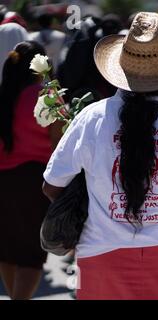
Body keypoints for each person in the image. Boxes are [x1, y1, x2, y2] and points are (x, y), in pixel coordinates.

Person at [42, 12, 158, 300]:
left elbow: (52, 184)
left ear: (120, 67)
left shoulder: (92, 119)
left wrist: (83, 211)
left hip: (98, 256)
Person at [0, 41, 62, 299]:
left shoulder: (4, 96)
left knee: (7, 249)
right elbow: (60, 146)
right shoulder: (47, 96)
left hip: (3, 180)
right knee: (30, 255)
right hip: (35, 183)